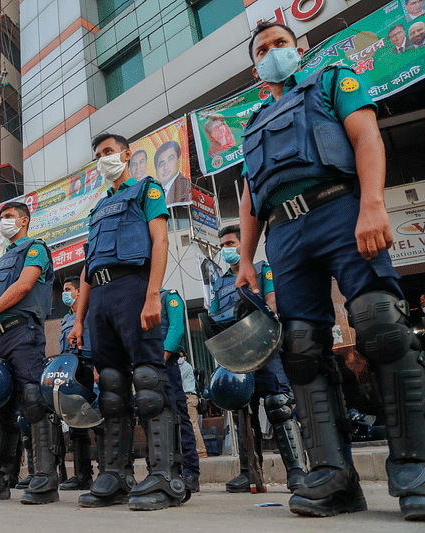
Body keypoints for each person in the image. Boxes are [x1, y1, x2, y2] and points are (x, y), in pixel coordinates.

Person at [239, 21, 425, 520]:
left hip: (340, 209)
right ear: (255, 64)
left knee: (381, 325)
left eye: (280, 44)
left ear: (298, 49)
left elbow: (366, 137)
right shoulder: (252, 123)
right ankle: (332, 478)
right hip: (285, 233)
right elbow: (251, 198)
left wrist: (373, 205)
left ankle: (416, 469)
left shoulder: (331, 81)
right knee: (300, 349)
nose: (272, 52)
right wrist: (245, 260)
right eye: (263, 49)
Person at [68, 133, 188, 512]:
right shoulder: (97, 210)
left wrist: (153, 294)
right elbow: (87, 269)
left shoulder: (146, 191)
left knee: (149, 381)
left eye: (107, 152)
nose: (102, 158)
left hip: (133, 288)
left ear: (126, 155)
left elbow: (160, 241)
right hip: (100, 298)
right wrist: (78, 320)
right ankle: (117, 473)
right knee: (113, 388)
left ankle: (165, 475)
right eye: (97, 154)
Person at [0, 201, 57, 504]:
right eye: (1, 217)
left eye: (9, 217)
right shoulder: (2, 259)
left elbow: (24, 286)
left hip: (23, 331)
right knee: (1, 407)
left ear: (24, 221)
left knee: (33, 399)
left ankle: (45, 478)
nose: (3, 222)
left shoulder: (35, 248)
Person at [208, 225, 306, 493]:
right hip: (237, 354)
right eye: (223, 246)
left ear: (243, 243)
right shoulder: (219, 283)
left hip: (265, 346)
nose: (226, 249)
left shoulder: (262, 269)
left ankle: (297, 471)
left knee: (278, 404)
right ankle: (248, 471)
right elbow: (216, 318)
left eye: (230, 243)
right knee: (242, 411)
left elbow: (273, 305)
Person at [57, 276, 100, 491]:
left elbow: (100, 342)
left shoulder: (92, 313)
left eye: (68, 289)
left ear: (79, 292)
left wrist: (99, 369)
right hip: (71, 375)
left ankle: (106, 472)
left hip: (91, 369)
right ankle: (82, 474)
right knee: (76, 425)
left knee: (100, 422)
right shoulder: (66, 320)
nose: (65, 293)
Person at [157, 288, 201, 492]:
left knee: (180, 418)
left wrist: (163, 355)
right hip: (146, 368)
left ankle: (190, 472)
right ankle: (158, 470)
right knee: (153, 419)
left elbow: (176, 329)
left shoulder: (169, 297)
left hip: (166, 365)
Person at [178, 352, 206, 458]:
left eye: (180, 356)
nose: (179, 358)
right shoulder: (182, 366)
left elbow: (177, 379)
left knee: (192, 424)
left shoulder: (185, 366)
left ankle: (200, 450)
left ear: (184, 357)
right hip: (185, 398)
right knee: (188, 424)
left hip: (188, 397)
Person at [153, 141, 190, 206]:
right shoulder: (153, 194)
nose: (166, 167)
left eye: (170, 159)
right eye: (161, 164)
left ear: (178, 160)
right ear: (156, 171)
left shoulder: (188, 186)